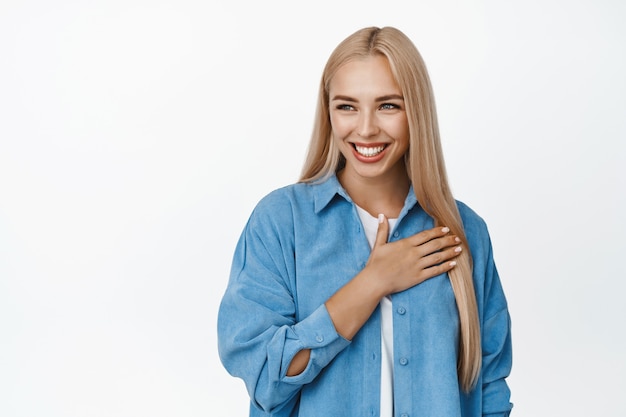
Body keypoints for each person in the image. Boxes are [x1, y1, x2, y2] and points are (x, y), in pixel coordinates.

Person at [217, 26, 513, 417]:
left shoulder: (466, 232)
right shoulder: (280, 222)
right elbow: (264, 377)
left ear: (416, 112)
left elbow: (489, 389)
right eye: (347, 106)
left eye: (388, 105)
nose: (367, 128)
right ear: (329, 113)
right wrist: (372, 283)